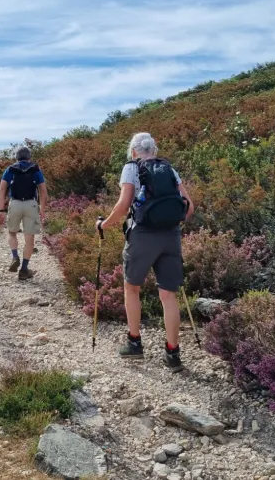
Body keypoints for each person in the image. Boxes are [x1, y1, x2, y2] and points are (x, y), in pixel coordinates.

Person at [96, 133, 194, 372]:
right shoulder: (169, 169)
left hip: (142, 236)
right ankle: (173, 354)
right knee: (168, 295)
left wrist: (103, 225)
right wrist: (172, 225)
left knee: (132, 287)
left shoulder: (132, 168)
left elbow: (123, 203)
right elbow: (188, 205)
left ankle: (135, 342)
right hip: (170, 236)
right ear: (154, 149)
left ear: (133, 151)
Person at [0, 146, 47, 280]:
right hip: (31, 204)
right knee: (29, 238)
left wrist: (1, 210)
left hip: (15, 204)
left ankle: (14, 256)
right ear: (29, 157)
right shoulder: (35, 169)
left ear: (17, 157)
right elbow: (43, 190)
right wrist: (42, 209)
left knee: (12, 232)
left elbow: (2, 190)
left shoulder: (10, 169)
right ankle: (24, 269)